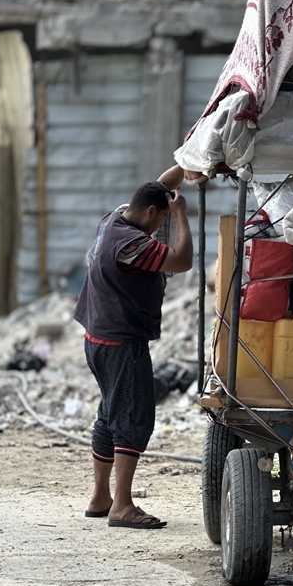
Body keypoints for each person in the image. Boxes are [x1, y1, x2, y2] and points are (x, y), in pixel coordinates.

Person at [74, 165, 193, 528]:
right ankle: (122, 506)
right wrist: (182, 215)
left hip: (96, 337)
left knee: (109, 413)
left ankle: (100, 497)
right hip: (121, 341)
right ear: (152, 213)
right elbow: (183, 261)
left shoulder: (114, 220)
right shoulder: (134, 245)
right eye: (160, 221)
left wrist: (190, 165)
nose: (160, 229)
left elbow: (159, 186)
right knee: (134, 418)